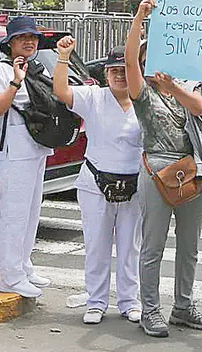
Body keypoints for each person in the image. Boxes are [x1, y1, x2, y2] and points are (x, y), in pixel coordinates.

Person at [126, 0, 202, 338]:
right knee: (153, 245)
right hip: (157, 168)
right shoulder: (142, 93)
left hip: (190, 169)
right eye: (148, 59)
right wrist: (140, 18)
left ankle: (183, 306)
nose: (154, 64)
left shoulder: (183, 87)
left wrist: (173, 86)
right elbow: (129, 59)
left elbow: (199, 108)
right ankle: (150, 309)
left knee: (189, 245)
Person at [53, 39, 144, 325]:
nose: (120, 76)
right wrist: (63, 57)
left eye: (125, 70)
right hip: (96, 183)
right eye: (114, 70)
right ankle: (96, 302)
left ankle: (129, 301)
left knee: (130, 248)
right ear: (105, 73)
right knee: (96, 247)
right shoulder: (93, 97)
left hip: (134, 185)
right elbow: (62, 91)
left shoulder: (145, 101)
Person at [0, 17, 54, 299]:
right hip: (12, 152)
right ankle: (10, 276)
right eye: (23, 37)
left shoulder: (39, 69)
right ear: (10, 43)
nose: (29, 42)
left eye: (33, 38)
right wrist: (16, 81)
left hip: (36, 148)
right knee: (13, 215)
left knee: (31, 213)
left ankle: (24, 265)